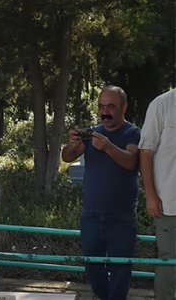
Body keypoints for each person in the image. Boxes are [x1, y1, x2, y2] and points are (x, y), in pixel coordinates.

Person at [61, 85, 140, 300]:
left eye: (111, 106)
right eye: (101, 106)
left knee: (120, 271)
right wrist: (72, 144)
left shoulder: (133, 133)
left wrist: (107, 147)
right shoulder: (93, 133)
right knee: (92, 266)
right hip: (91, 216)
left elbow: (132, 162)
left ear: (124, 107)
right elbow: (67, 156)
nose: (105, 111)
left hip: (121, 218)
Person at [138, 88, 175, 300]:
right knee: (168, 261)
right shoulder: (161, 104)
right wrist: (150, 195)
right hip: (169, 202)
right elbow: (146, 151)